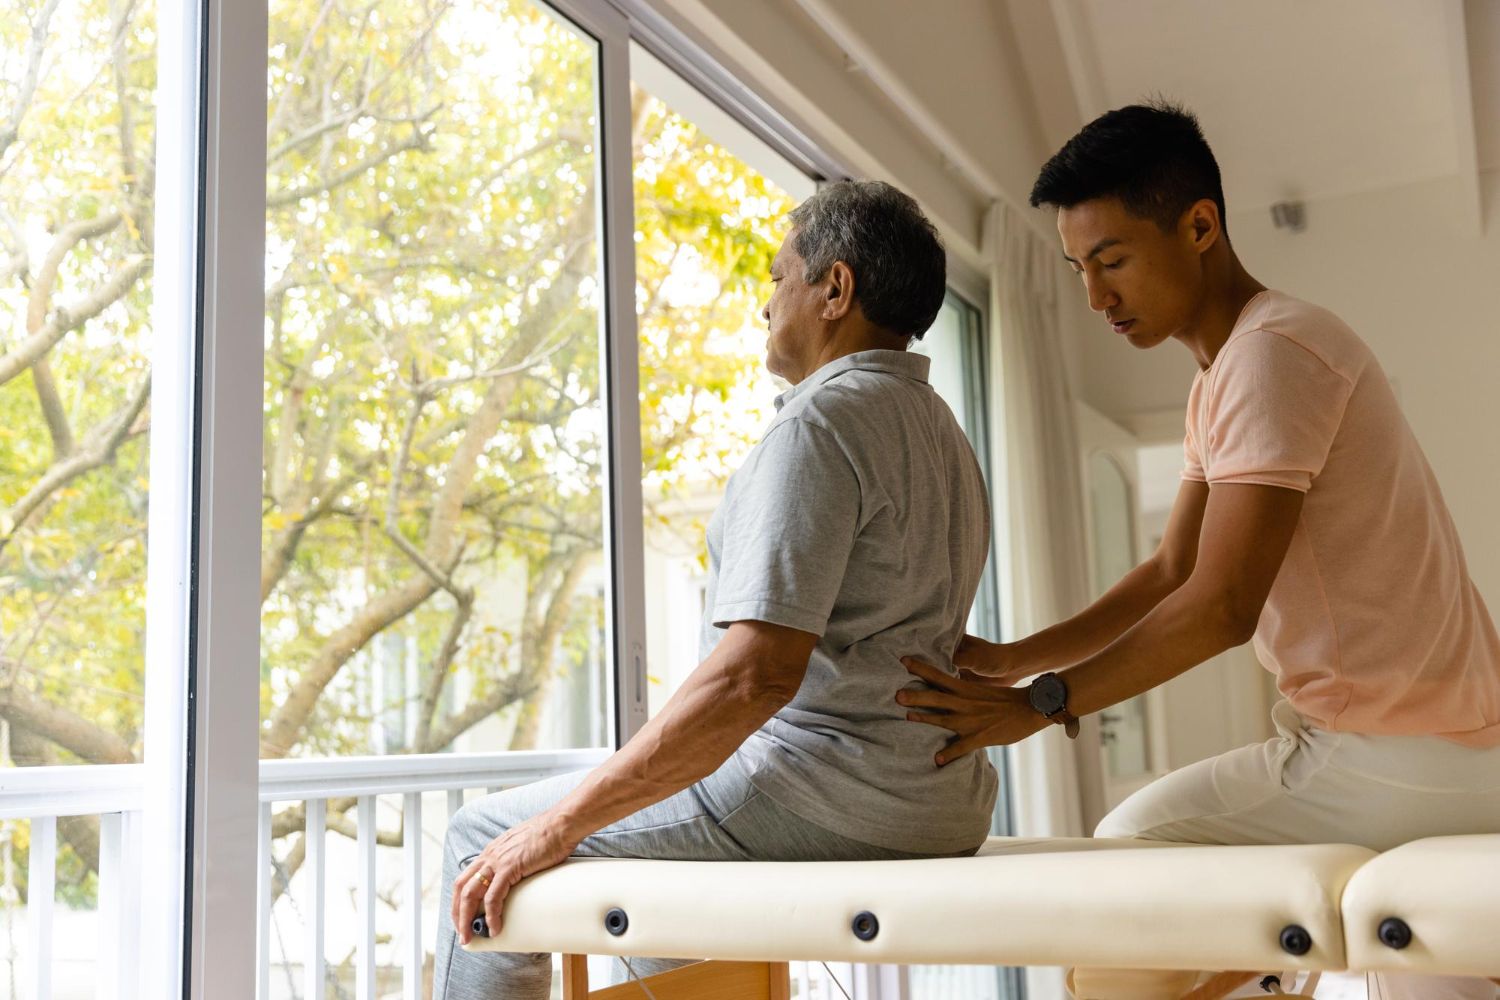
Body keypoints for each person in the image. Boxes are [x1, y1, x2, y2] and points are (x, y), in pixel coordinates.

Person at [899, 102, 1500, 999]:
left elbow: (1220, 608)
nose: (1096, 297)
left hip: (1391, 750)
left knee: (1133, 849)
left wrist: (1040, 705)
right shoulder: (1227, 374)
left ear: (1200, 225)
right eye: (1076, 270)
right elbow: (1172, 570)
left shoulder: (1273, 355)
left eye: (1113, 261)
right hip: (1445, 746)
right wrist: (1013, 661)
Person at [433, 179, 997, 1000]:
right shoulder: (942, 430)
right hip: (940, 800)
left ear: (835, 289)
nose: (765, 304)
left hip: (829, 795)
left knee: (482, 833)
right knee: (655, 865)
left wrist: (556, 827)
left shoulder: (820, 426)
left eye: (778, 279)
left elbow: (754, 677)